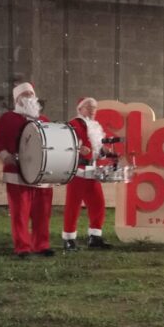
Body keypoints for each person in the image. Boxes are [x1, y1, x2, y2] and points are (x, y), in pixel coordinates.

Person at [0, 82, 55, 258]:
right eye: (24, 95)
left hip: (42, 172)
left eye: (30, 94)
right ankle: (23, 247)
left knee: (43, 211)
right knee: (20, 212)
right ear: (17, 100)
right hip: (17, 171)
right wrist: (5, 155)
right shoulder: (8, 118)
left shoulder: (44, 120)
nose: (28, 97)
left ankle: (41, 245)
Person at [62, 97, 112, 251]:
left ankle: (95, 237)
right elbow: (65, 144)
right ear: (80, 109)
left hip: (92, 170)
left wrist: (103, 151)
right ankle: (69, 239)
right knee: (73, 206)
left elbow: (97, 151)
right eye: (88, 107)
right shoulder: (73, 124)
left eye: (94, 107)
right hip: (78, 171)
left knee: (98, 204)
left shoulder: (95, 126)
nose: (92, 110)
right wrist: (78, 149)